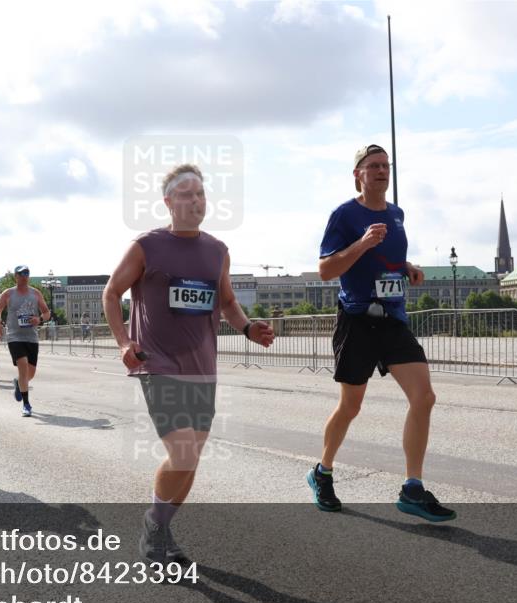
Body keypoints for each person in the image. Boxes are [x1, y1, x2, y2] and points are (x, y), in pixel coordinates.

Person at [103, 163, 275, 565]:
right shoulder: (147, 246)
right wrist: (124, 342)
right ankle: (155, 526)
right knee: (182, 453)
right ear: (168, 201)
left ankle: (159, 528)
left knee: (191, 458)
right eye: (185, 194)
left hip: (202, 367)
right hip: (156, 363)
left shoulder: (217, 251)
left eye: (199, 193)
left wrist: (248, 328)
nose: (194, 200)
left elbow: (228, 303)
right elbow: (112, 293)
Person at [308, 144, 454, 522]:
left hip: (392, 318)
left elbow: (385, 258)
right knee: (351, 406)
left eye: (386, 165)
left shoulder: (396, 214)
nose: (381, 171)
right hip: (357, 320)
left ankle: (412, 488)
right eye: (373, 166)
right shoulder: (344, 215)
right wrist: (361, 243)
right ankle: (321, 472)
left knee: (424, 396)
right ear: (357, 174)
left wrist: (407, 267)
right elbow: (325, 270)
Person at [0, 266, 51, 417]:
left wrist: (39, 319)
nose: (24, 276)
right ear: (15, 276)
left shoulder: (35, 293)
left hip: (31, 337)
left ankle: (19, 383)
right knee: (23, 366)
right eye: (21, 274)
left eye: (27, 273)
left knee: (30, 373)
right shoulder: (8, 293)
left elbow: (46, 312)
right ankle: (26, 404)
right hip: (14, 337)